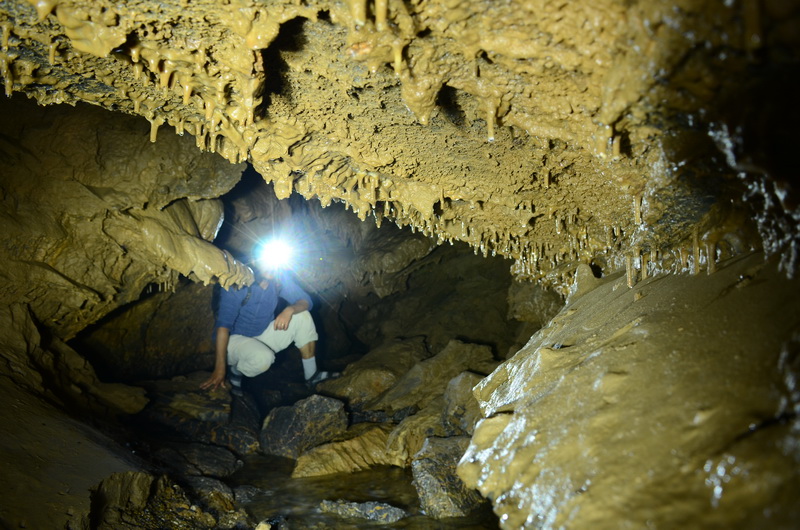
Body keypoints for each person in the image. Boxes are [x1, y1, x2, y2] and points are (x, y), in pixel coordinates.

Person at [200, 258, 333, 392]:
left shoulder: (278, 281)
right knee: (263, 358)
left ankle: (311, 376)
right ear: (255, 261)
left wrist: (290, 309)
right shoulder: (238, 281)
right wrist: (219, 369)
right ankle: (235, 370)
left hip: (261, 335)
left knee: (302, 316)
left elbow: (306, 301)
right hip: (232, 341)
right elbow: (223, 326)